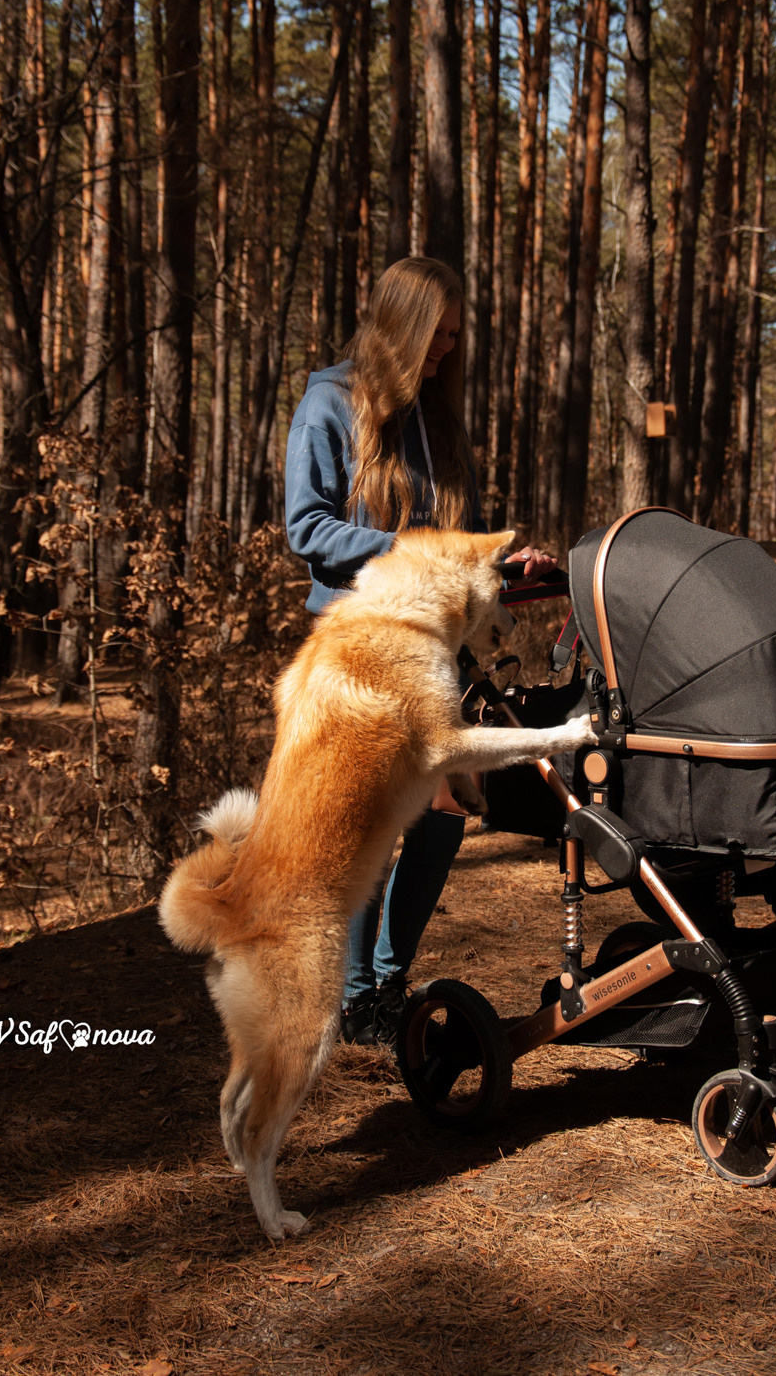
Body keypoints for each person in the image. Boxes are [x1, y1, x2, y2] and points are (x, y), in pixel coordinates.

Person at [284, 256, 554, 1046]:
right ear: (401, 327)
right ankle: (359, 993)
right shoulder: (328, 403)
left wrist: (500, 560)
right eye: (437, 336)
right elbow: (308, 529)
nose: (446, 352)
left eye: (457, 339)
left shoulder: (438, 417)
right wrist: (416, 550)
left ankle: (386, 982)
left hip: (435, 642)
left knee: (444, 807)